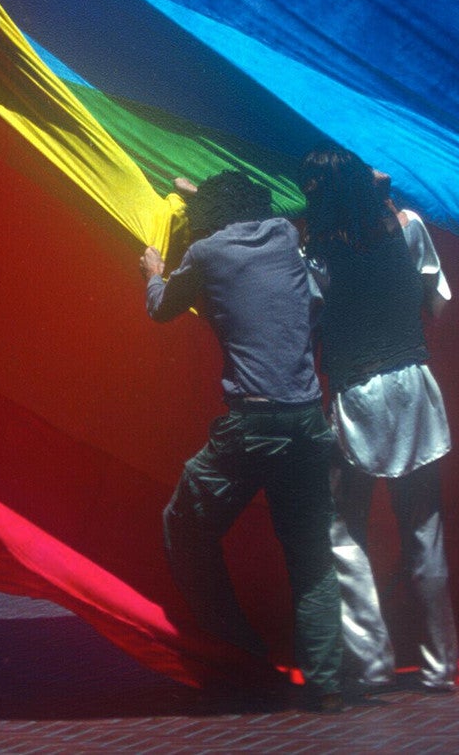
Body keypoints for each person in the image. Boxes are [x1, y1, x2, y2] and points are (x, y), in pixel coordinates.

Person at [144, 170, 346, 710]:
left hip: (251, 426)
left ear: (210, 216)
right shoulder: (284, 234)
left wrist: (153, 270)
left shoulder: (207, 254)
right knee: (311, 558)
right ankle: (326, 686)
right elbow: (242, 207)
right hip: (307, 420)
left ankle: (240, 657)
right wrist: (198, 192)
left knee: (184, 528)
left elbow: (162, 308)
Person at [303, 150, 459, 694]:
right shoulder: (409, 226)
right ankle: (442, 666)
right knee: (425, 528)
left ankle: (370, 664)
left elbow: (310, 319)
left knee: (345, 531)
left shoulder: (317, 253)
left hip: (359, 391)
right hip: (415, 383)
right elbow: (436, 303)